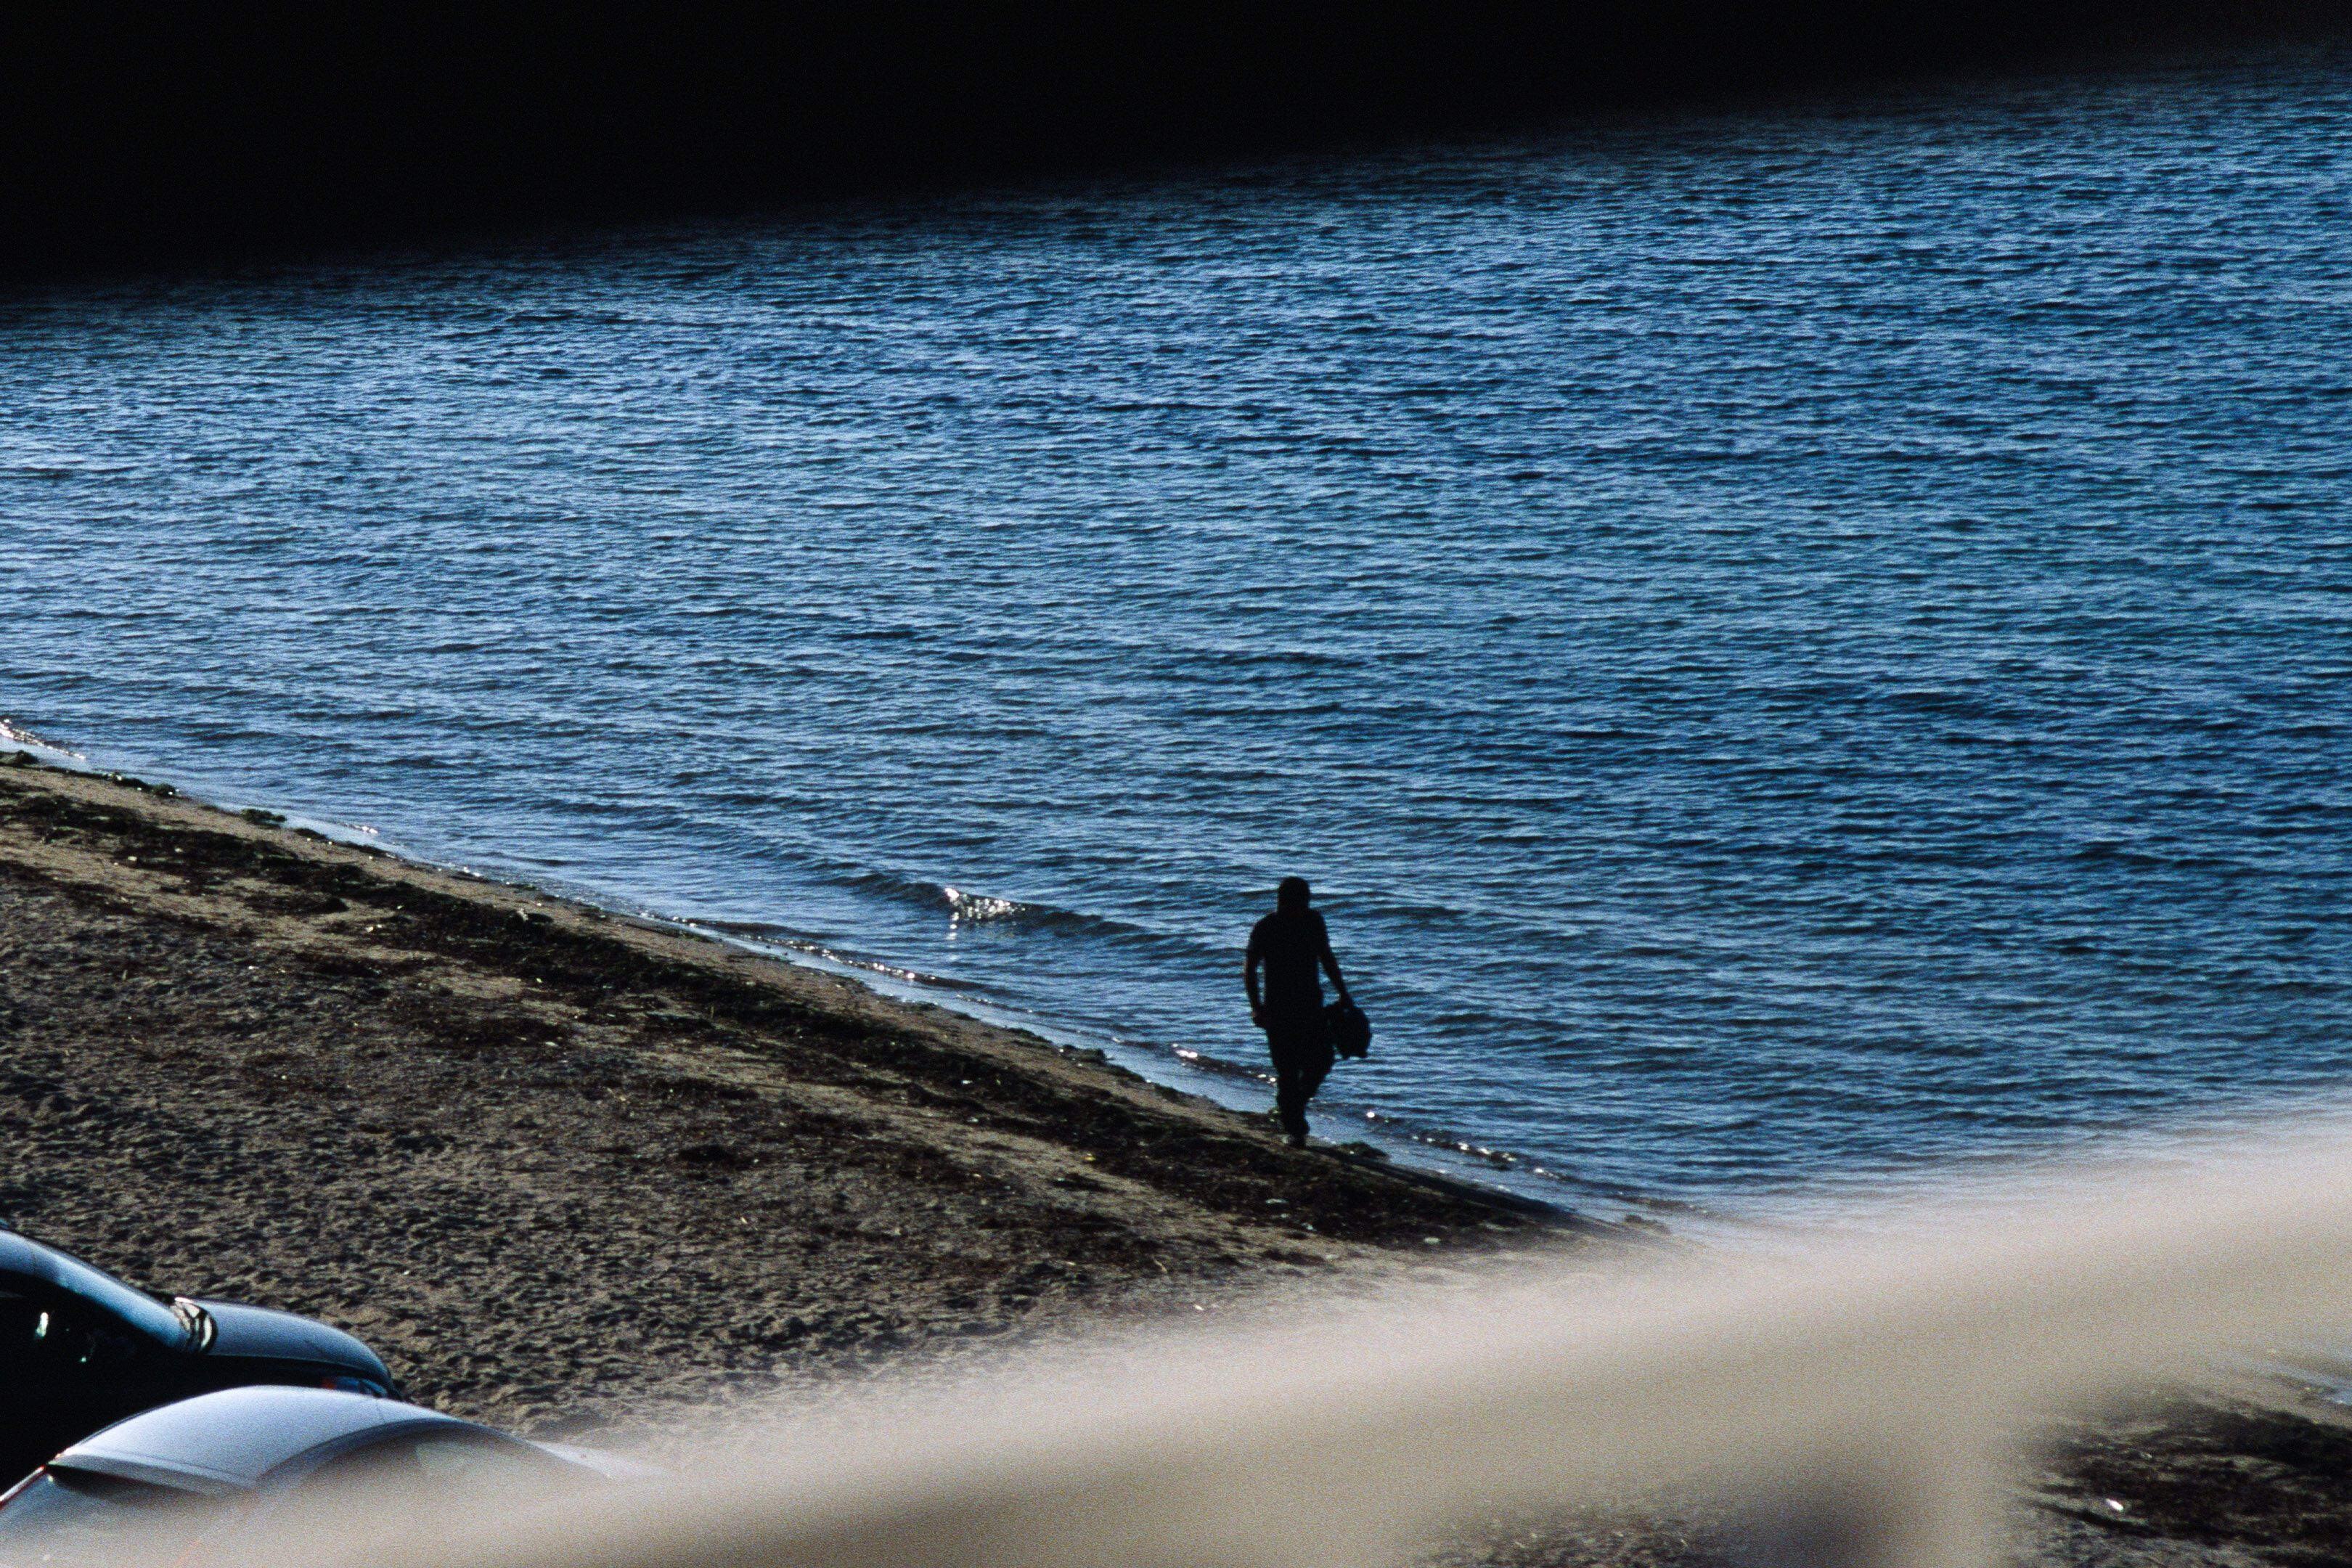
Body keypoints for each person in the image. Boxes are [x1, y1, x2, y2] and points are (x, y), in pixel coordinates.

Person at [1244, 876, 1351, 1148]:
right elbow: (1250, 969)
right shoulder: (1266, 927)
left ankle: (1293, 1104)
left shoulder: (1314, 921)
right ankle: (1295, 1130)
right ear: (1281, 902)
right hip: (1278, 1012)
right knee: (1288, 1071)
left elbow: (1326, 956)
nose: (1299, 910)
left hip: (1312, 1007)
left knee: (1323, 1060)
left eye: (1303, 904)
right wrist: (1256, 1008)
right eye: (1294, 904)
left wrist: (1343, 992)